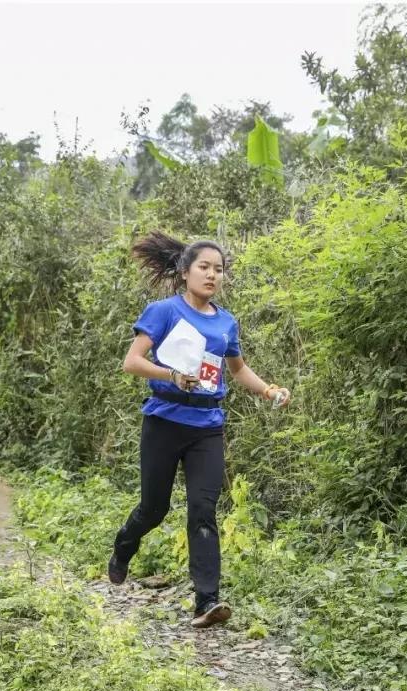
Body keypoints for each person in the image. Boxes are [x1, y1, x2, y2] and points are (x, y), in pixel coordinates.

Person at [109, 231, 291, 628]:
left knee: (203, 509)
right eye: (204, 268)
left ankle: (206, 601)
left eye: (219, 270)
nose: (212, 275)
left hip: (207, 426)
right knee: (153, 509)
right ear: (185, 271)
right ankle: (124, 546)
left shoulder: (226, 321)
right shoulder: (164, 311)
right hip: (164, 421)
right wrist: (172, 375)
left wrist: (268, 389)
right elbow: (133, 362)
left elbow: (238, 369)